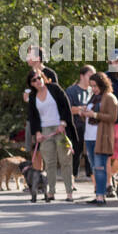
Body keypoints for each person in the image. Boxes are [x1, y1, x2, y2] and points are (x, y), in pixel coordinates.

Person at [26, 68, 78, 201]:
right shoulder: (32, 96)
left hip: (60, 129)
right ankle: (51, 192)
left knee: (65, 160)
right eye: (34, 80)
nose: (38, 81)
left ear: (43, 77)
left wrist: (63, 123)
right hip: (45, 131)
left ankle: (69, 192)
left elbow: (66, 106)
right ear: (31, 83)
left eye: (39, 78)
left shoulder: (54, 89)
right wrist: (37, 132)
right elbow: (32, 116)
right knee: (49, 162)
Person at [74, 71, 118, 205]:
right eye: (91, 86)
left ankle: (100, 196)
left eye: (95, 86)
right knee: (94, 167)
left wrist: (94, 115)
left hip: (101, 137)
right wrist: (83, 113)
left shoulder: (109, 97)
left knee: (100, 167)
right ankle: (99, 194)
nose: (93, 89)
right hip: (89, 137)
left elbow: (113, 117)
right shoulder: (93, 97)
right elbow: (91, 116)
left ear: (102, 84)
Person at [66, 65, 96, 178]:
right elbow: (66, 109)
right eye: (90, 75)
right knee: (75, 153)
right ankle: (72, 178)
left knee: (91, 153)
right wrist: (80, 109)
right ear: (81, 76)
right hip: (75, 127)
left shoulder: (93, 91)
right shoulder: (71, 90)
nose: (93, 78)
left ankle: (93, 179)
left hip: (91, 127)